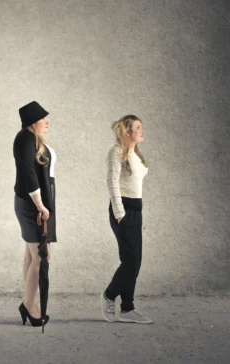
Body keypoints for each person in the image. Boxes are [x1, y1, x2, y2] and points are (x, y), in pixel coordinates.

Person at [101, 115, 152, 324]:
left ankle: (127, 309)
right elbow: (112, 182)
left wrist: (136, 214)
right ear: (127, 131)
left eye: (142, 127)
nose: (142, 131)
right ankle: (109, 296)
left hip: (135, 210)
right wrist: (120, 213)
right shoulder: (117, 152)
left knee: (135, 262)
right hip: (123, 210)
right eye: (138, 127)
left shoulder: (135, 153)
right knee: (130, 263)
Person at [13, 101, 56, 327]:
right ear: (32, 122)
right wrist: (40, 204)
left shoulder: (33, 140)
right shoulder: (24, 139)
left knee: (32, 256)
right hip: (33, 204)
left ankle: (29, 303)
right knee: (42, 256)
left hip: (38, 203)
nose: (47, 122)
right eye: (43, 119)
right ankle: (29, 305)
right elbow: (28, 173)